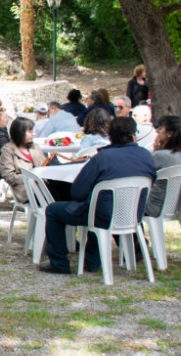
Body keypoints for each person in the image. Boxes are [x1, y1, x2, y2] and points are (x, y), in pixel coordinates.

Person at [39, 117, 156, 275]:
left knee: (54, 210)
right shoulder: (147, 156)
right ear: (134, 135)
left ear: (110, 136)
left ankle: (59, 262)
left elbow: (78, 192)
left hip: (102, 214)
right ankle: (92, 261)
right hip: (133, 213)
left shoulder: (101, 158)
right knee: (99, 206)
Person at [145, 115, 181, 218]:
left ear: (170, 133)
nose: (157, 131)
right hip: (175, 206)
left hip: (153, 206)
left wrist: (155, 151)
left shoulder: (161, 155)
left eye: (161, 128)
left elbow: (143, 174)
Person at [0, 118, 45, 205]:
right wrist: (32, 178)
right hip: (26, 191)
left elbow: (45, 167)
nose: (33, 134)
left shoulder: (35, 147)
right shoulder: (8, 150)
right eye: (30, 131)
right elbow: (9, 176)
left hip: (43, 187)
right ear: (20, 132)